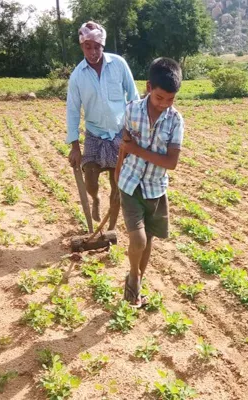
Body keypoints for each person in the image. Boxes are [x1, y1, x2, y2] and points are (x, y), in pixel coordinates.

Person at [114, 58, 184, 307]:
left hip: (155, 188)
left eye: (170, 99)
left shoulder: (175, 121)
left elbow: (171, 162)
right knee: (139, 240)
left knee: (148, 241)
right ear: (148, 88)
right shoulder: (132, 109)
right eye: (159, 98)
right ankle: (133, 277)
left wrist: (136, 149)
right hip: (131, 183)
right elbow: (125, 141)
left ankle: (136, 283)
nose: (164, 104)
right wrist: (126, 146)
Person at [66, 21, 139, 231]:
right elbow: (72, 110)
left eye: (96, 46)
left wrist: (132, 131)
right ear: (81, 46)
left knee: (118, 188)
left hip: (120, 133)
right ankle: (95, 198)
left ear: (102, 45)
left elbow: (133, 97)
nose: (92, 51)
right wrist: (74, 146)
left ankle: (111, 229)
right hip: (94, 135)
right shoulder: (77, 76)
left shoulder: (118, 64)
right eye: (87, 46)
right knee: (90, 176)